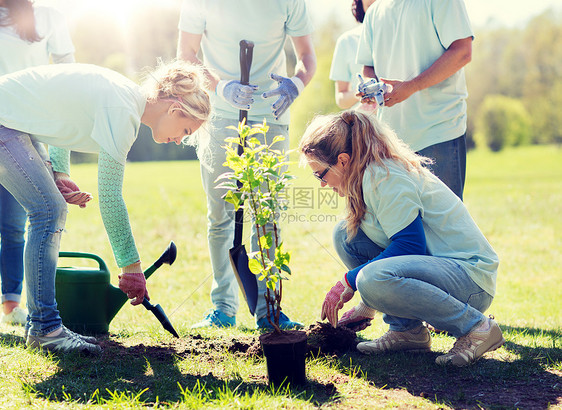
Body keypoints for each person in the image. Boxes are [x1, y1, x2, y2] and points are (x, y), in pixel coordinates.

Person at [0, 60, 211, 353]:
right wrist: (132, 268)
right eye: (185, 130)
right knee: (48, 211)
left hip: (12, 121)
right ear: (175, 110)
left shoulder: (124, 97)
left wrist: (60, 174)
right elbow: (110, 198)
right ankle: (45, 329)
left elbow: (64, 116)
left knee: (50, 208)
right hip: (5, 120)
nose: (179, 140)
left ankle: (44, 326)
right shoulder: (123, 112)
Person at [299, 110, 504, 367]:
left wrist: (351, 282)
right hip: (441, 272)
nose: (322, 184)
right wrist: (369, 301)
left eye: (320, 174)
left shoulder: (384, 177)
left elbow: (409, 245)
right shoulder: (366, 176)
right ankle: (407, 331)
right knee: (346, 236)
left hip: (470, 281)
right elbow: (393, 246)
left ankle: (477, 327)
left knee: (369, 278)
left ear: (342, 160)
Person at [177, 0, 316, 330]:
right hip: (221, 115)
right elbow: (186, 54)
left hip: (271, 117)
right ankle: (223, 307)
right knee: (221, 215)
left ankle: (269, 309)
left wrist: (295, 84)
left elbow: (307, 57)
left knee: (267, 214)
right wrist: (221, 86)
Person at [0, 0, 75, 326]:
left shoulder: (48, 17)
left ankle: (11, 305)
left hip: (25, 129)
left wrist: (59, 160)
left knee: (16, 224)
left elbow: (68, 77)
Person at [356, 0, 473, 200]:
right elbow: (368, 67)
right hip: (391, 141)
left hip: (439, 131)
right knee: (401, 227)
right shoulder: (375, 11)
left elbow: (462, 51)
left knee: (443, 227)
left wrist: (412, 86)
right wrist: (369, 86)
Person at [329, 0, 375, 110]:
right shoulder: (346, 41)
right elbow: (341, 99)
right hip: (365, 124)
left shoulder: (402, 36)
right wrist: (361, 91)